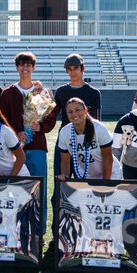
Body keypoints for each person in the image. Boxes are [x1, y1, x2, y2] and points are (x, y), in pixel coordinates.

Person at [47, 53, 102, 234]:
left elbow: (97, 122)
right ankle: (58, 233)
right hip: (64, 145)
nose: (72, 72)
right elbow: (51, 116)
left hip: (87, 146)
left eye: (75, 68)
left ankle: (86, 231)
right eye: (69, 69)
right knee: (60, 187)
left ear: (82, 68)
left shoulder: (93, 93)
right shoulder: (61, 91)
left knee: (86, 188)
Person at [0, 52, 55, 185]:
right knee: (16, 187)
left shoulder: (42, 92)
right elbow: (2, 120)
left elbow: (51, 118)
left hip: (37, 146)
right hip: (14, 147)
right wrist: (15, 134)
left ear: (33, 67)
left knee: (38, 186)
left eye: (28, 65)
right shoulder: (7, 93)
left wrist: (41, 127)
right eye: (21, 65)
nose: (25, 68)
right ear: (17, 67)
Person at [57, 97, 114, 181]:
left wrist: (105, 183)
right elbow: (65, 162)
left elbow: (108, 159)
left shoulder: (99, 128)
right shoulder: (64, 132)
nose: (74, 114)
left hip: (110, 173)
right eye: (70, 112)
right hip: (87, 174)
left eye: (77, 110)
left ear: (85, 110)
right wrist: (65, 176)